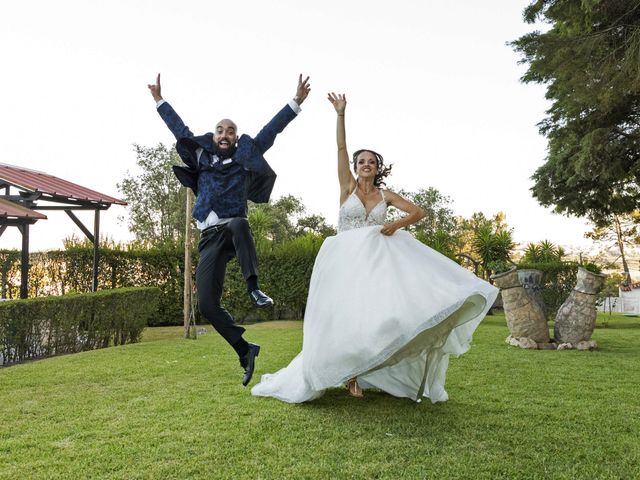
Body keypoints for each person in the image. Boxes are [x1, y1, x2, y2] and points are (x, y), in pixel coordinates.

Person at [251, 93, 499, 403]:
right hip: (344, 261)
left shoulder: (385, 195)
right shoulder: (347, 188)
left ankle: (367, 368)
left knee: (376, 317)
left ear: (376, 168)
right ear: (355, 167)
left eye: (371, 162)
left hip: (376, 263)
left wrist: (395, 225)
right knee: (344, 317)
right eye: (361, 161)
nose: (366, 165)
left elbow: (418, 212)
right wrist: (340, 114)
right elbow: (340, 148)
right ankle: (350, 376)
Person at [148, 73, 311, 386]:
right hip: (209, 239)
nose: (225, 134)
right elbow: (179, 129)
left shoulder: (243, 155)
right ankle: (244, 349)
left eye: (231, 131)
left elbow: (270, 131)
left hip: (233, 230)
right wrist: (159, 100)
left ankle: (254, 287)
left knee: (239, 222)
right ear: (214, 135)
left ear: (236, 138)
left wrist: (296, 103)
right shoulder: (203, 155)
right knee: (207, 304)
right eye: (221, 130)